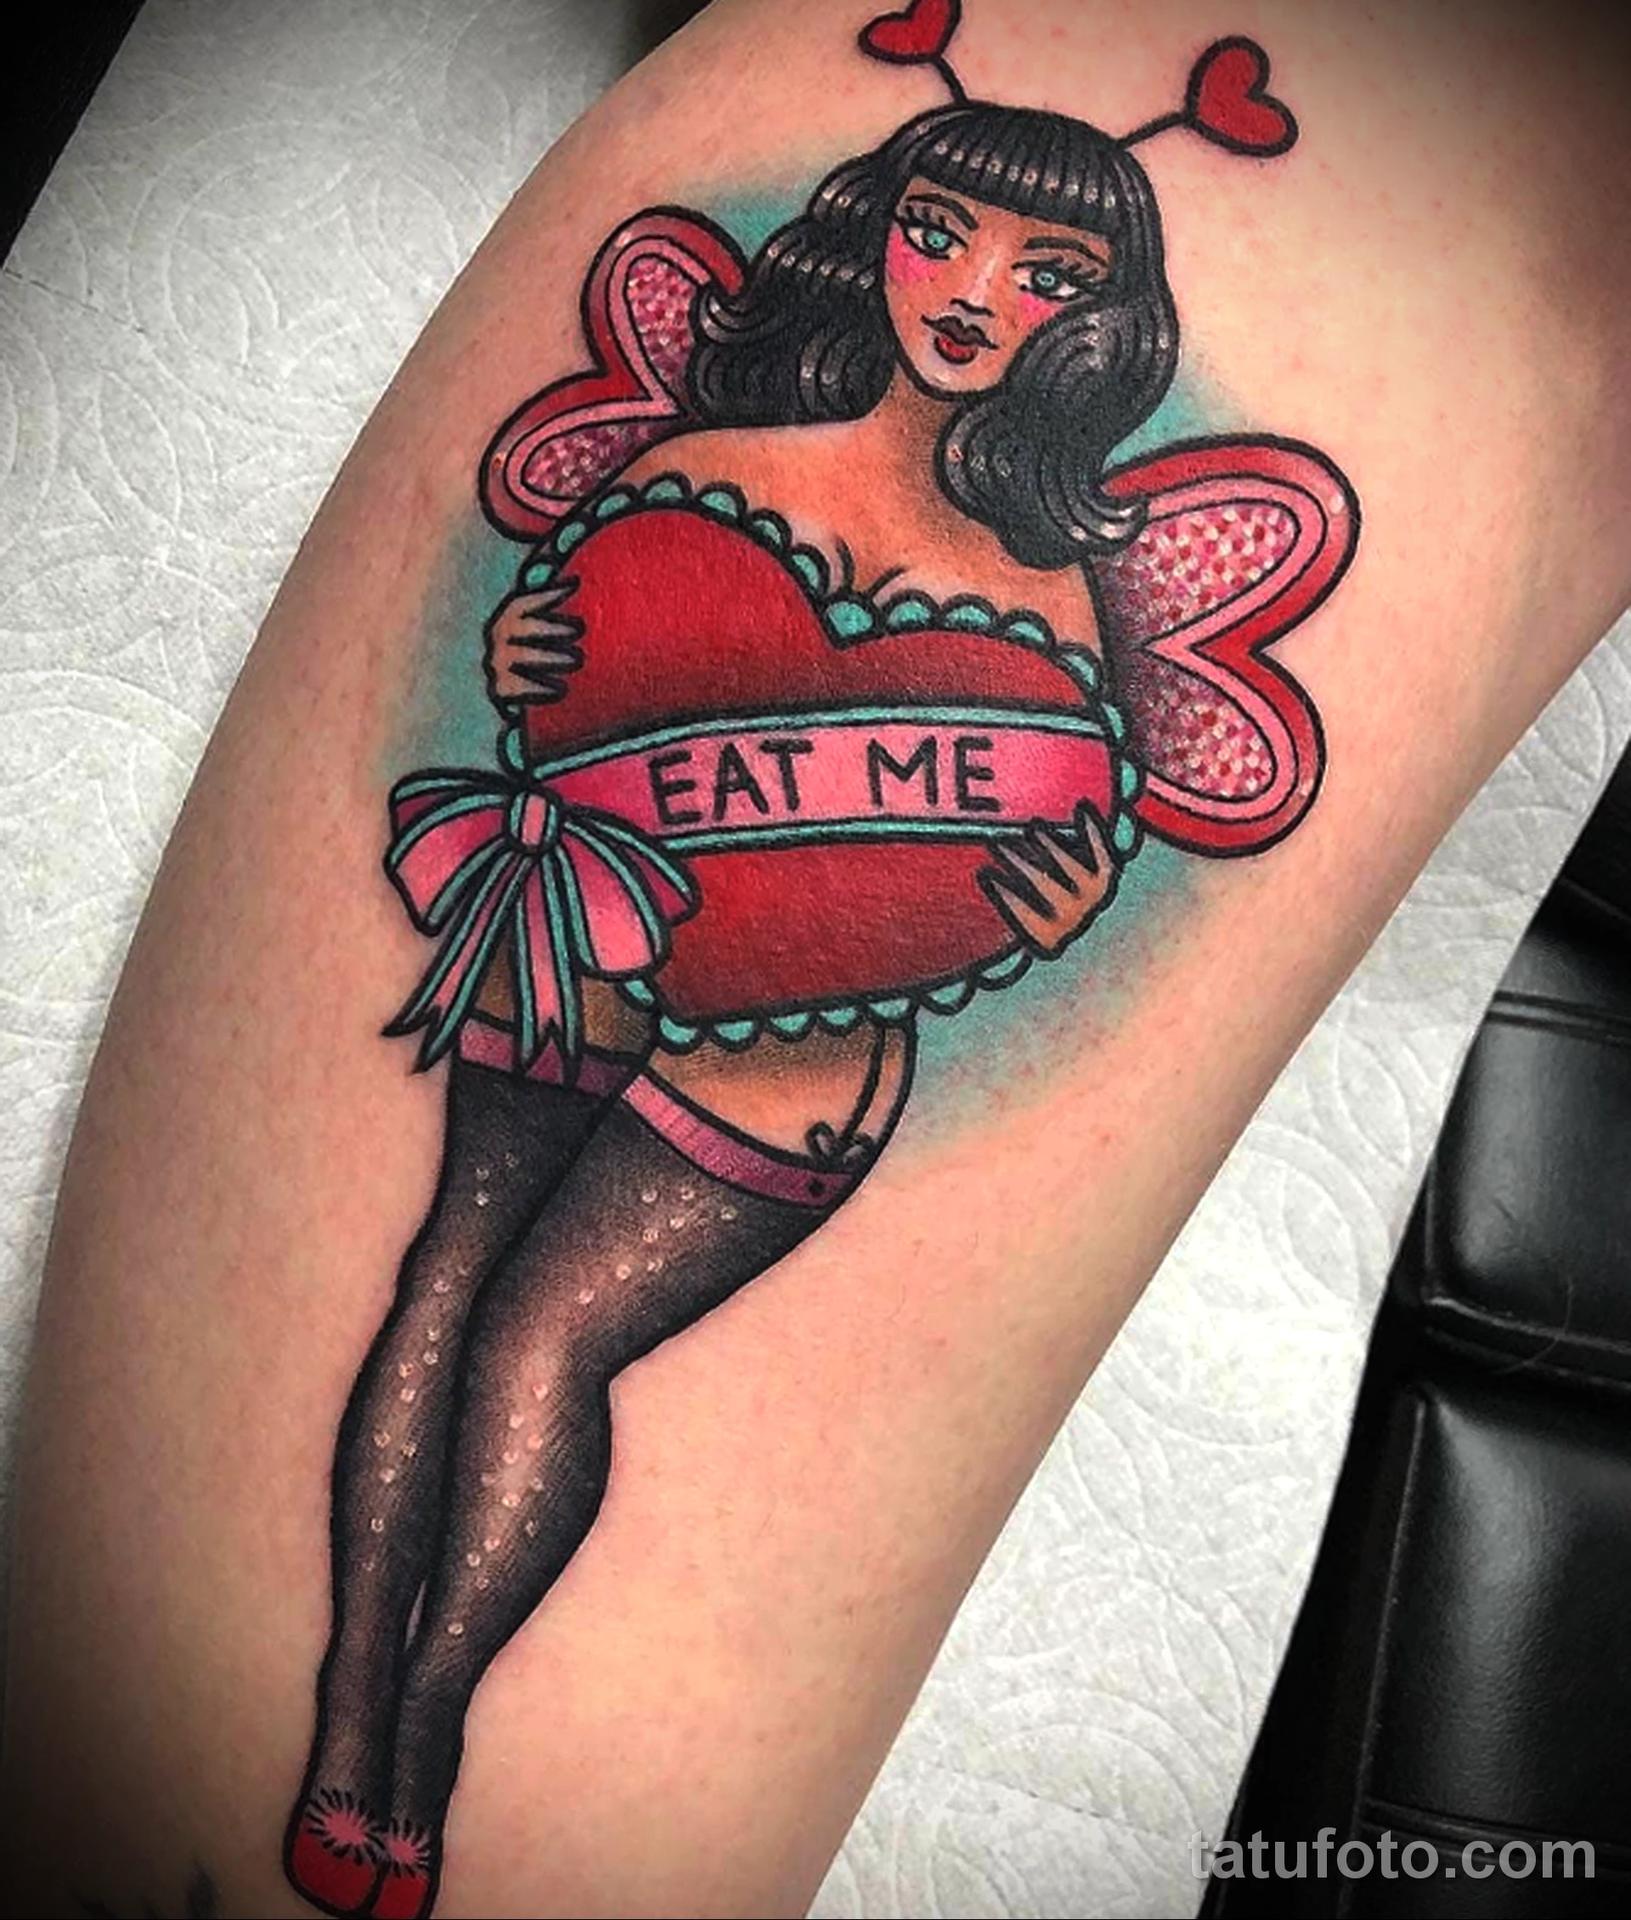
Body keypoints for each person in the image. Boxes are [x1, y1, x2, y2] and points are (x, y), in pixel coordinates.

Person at [5, 3, 1629, 1917]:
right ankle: (348, 1707)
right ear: (877, 231)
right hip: (572, 926)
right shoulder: (716, 459)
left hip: (793, 1054)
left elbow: (1406, 241)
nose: (976, 295)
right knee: (441, 1277)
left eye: (1047, 273)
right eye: (941, 232)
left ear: (1097, 326)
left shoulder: (1056, 588)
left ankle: (424, 1729)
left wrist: (1049, 907)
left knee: (540, 1338)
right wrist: (530, 675)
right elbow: (596, 682)